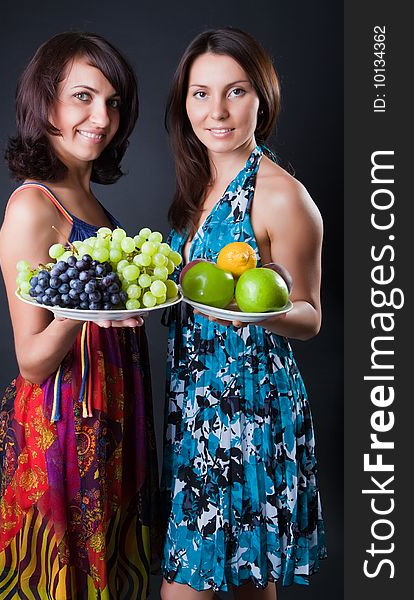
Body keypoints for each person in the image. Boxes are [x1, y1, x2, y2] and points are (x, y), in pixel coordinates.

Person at [160, 28, 327, 600]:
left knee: (218, 586)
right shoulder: (201, 180)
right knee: (243, 585)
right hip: (196, 406)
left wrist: (257, 317)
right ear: (185, 103)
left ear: (263, 97)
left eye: (235, 92)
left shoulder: (282, 195)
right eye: (200, 94)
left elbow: (310, 315)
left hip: (250, 409)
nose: (218, 111)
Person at [0, 32, 160, 600]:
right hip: (68, 421)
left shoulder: (87, 198)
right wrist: (84, 311)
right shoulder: (33, 205)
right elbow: (33, 362)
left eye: (114, 102)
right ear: (44, 103)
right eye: (83, 97)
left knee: (112, 573)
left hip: (113, 411)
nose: (103, 116)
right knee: (64, 578)